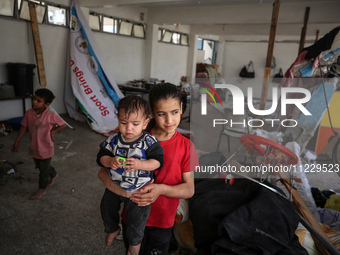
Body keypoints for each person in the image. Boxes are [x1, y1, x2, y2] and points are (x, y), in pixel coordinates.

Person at [98, 83, 199, 254]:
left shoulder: (186, 147)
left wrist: (160, 189)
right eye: (161, 114)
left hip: (162, 220)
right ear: (151, 113)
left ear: (181, 108)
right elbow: (102, 172)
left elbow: (189, 189)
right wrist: (123, 192)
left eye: (174, 112)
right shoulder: (132, 136)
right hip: (131, 216)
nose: (169, 120)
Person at [96, 95, 164, 254]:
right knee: (106, 208)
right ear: (118, 119)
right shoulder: (113, 139)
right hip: (115, 186)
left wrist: (141, 164)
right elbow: (100, 157)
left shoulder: (149, 141)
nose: (128, 129)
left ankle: (134, 245)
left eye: (135, 124)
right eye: (123, 123)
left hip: (139, 190)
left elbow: (158, 162)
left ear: (146, 123)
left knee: (137, 221)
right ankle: (112, 229)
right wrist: (109, 161)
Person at [11, 88, 66, 200]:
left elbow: (63, 124)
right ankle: (54, 173)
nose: (34, 102)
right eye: (34, 99)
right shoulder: (29, 113)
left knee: (43, 171)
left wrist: (52, 131)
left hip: (46, 147)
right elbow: (23, 127)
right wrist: (16, 141)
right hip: (35, 146)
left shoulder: (50, 115)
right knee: (40, 165)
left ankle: (42, 189)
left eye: (38, 101)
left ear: (46, 104)